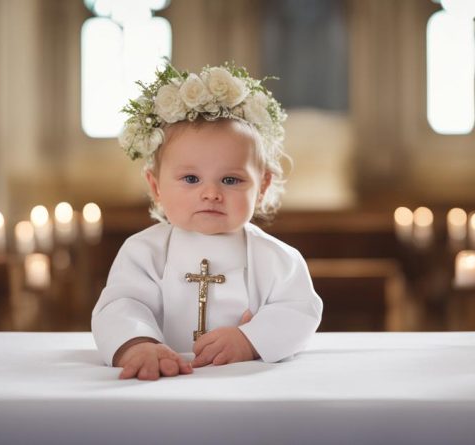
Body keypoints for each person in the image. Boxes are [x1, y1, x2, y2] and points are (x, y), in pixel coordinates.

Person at [92, 62, 323, 380]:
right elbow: (122, 304)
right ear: (156, 186)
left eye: (230, 180)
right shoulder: (143, 251)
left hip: (242, 382)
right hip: (161, 381)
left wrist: (250, 339)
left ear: (262, 187)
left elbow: (299, 309)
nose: (211, 193)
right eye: (191, 178)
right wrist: (138, 344)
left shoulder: (276, 257)